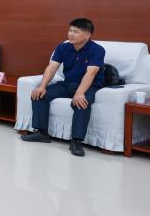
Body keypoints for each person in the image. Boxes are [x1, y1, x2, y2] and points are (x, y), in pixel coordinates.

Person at [21, 18, 105, 157]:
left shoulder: (97, 50)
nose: (70, 34)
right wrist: (42, 86)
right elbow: (52, 67)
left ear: (87, 35)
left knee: (81, 103)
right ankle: (42, 133)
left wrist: (80, 93)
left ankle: (76, 141)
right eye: (70, 30)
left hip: (89, 86)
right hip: (68, 83)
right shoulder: (63, 47)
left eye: (75, 32)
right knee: (39, 95)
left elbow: (91, 73)